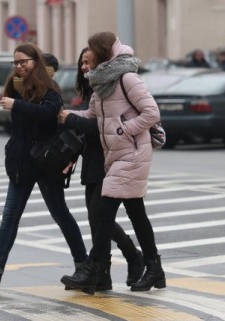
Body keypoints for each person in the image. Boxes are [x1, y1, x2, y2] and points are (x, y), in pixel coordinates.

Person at [0, 45, 88, 290]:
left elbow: (48, 112)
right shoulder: (15, 85)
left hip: (45, 161)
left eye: (24, 62)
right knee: (10, 217)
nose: (19, 67)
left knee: (60, 214)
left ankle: (83, 265)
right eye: (16, 63)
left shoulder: (49, 88)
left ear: (36, 61)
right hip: (21, 162)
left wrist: (17, 105)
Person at [59, 31, 163, 294]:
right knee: (136, 213)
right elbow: (92, 115)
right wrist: (65, 115)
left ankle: (93, 269)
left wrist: (124, 130)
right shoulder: (101, 84)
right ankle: (154, 268)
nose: (87, 57)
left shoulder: (127, 78)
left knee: (102, 213)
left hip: (132, 153)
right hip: (115, 155)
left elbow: (151, 112)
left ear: (102, 52)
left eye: (91, 51)